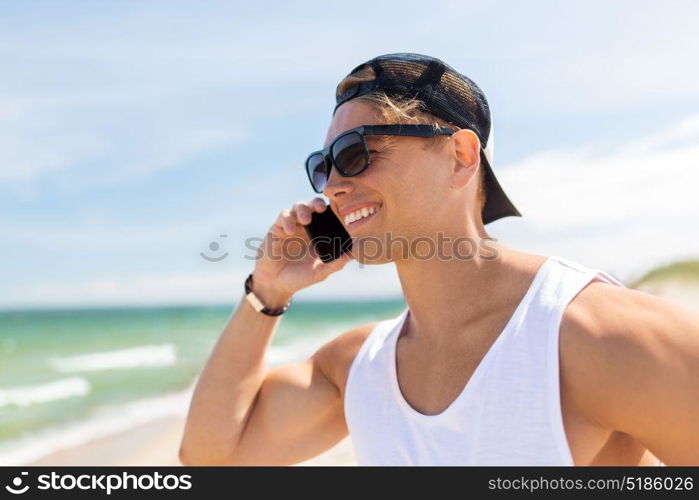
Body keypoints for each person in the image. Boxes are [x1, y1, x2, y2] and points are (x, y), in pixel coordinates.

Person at [179, 53, 699, 466]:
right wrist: (267, 292)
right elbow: (211, 458)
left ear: (460, 157)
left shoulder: (595, 336)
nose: (334, 186)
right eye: (322, 167)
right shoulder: (359, 366)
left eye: (357, 153)